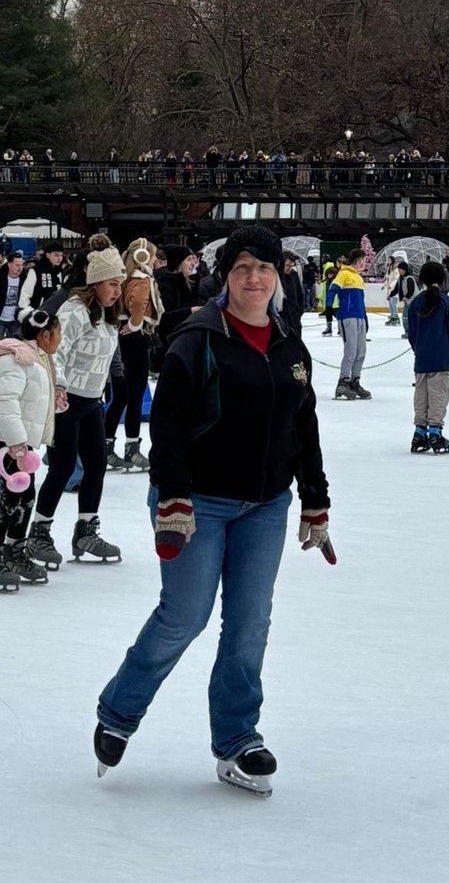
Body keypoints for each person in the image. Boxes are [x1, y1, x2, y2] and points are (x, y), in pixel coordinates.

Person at [95, 225, 332, 795]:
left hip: (266, 505)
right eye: (243, 268)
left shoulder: (288, 345)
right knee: (185, 616)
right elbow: (170, 425)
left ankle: (237, 740)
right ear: (226, 277)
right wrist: (173, 496)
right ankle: (118, 712)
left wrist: (315, 500)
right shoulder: (199, 338)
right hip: (196, 500)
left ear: (279, 279)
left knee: (250, 623)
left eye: (265, 269)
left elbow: (303, 425)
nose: (255, 278)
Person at [26, 244, 126, 570]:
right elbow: (56, 351)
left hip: (92, 401)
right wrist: (59, 387)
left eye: (119, 284)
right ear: (95, 282)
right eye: (112, 283)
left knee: (96, 466)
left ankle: (86, 530)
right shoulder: (73, 310)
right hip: (66, 401)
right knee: (63, 467)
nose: (117, 290)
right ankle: (38, 532)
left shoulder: (108, 315)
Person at [0, 308, 62, 590]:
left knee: (25, 497)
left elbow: (32, 398)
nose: (60, 339)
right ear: (45, 334)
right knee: (7, 501)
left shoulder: (40, 358)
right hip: (10, 447)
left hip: (24, 449)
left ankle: (14, 549)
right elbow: (6, 402)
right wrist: (15, 441)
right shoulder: (17, 360)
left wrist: (54, 404)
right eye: (58, 332)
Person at [103, 238, 163, 473]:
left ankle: (107, 447)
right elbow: (139, 302)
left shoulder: (124, 276)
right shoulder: (141, 278)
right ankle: (132, 448)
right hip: (134, 338)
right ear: (143, 256)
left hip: (121, 336)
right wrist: (137, 323)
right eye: (153, 254)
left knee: (121, 396)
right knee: (135, 394)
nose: (156, 259)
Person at [406, 261, 449, 453]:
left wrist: (418, 349)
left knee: (421, 395)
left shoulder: (415, 302)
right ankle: (435, 432)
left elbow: (411, 331)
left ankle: (419, 431)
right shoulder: (446, 302)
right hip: (442, 358)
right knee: (439, 394)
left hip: (422, 358)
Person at [327, 247, 370, 400]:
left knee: (361, 352)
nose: (365, 263)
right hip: (347, 317)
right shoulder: (344, 274)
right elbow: (332, 290)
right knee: (351, 351)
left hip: (359, 317)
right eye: (364, 260)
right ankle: (343, 382)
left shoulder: (358, 278)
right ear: (358, 261)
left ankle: (355, 381)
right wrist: (329, 308)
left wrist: (365, 317)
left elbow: (361, 301)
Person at [17, 241, 66, 315]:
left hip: (57, 316)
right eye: (56, 255)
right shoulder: (36, 271)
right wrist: (27, 315)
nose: (59, 258)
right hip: (39, 315)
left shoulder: (62, 272)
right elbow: (25, 294)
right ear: (48, 255)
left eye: (61, 255)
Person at [0, 250, 26, 338]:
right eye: (17, 265)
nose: (20, 268)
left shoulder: (25, 280)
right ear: (9, 264)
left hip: (15, 319)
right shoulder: (1, 277)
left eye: (22, 265)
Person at [280, 250, 305, 342]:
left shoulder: (294, 275)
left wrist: (300, 310)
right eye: (287, 266)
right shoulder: (275, 277)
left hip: (294, 317)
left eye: (292, 266)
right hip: (281, 318)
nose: (290, 268)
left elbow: (299, 294)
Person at [320, 263, 338, 336]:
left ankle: (340, 329)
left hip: (335, 303)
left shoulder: (336, 281)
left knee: (338, 316)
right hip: (328, 302)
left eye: (331, 274)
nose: (329, 275)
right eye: (328, 274)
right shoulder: (326, 281)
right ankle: (329, 328)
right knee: (328, 315)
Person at [382, 256, 401, 326]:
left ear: (392, 261)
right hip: (389, 289)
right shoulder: (388, 269)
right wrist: (384, 285)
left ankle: (396, 318)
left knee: (393, 304)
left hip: (394, 289)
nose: (388, 261)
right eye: (387, 260)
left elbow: (396, 279)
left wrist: (391, 285)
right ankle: (392, 317)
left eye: (389, 260)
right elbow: (388, 279)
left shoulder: (396, 269)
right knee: (390, 304)